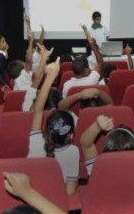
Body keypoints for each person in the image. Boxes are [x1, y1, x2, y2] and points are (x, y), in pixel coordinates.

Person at [27, 57, 79, 195]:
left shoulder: (36, 143)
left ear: (46, 129)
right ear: (71, 135)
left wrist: (50, 77)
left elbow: (38, 110)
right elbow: (69, 192)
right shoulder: (74, 152)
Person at [62, 25, 103, 97]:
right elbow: (100, 62)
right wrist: (93, 46)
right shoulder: (91, 81)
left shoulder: (67, 85)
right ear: (86, 70)